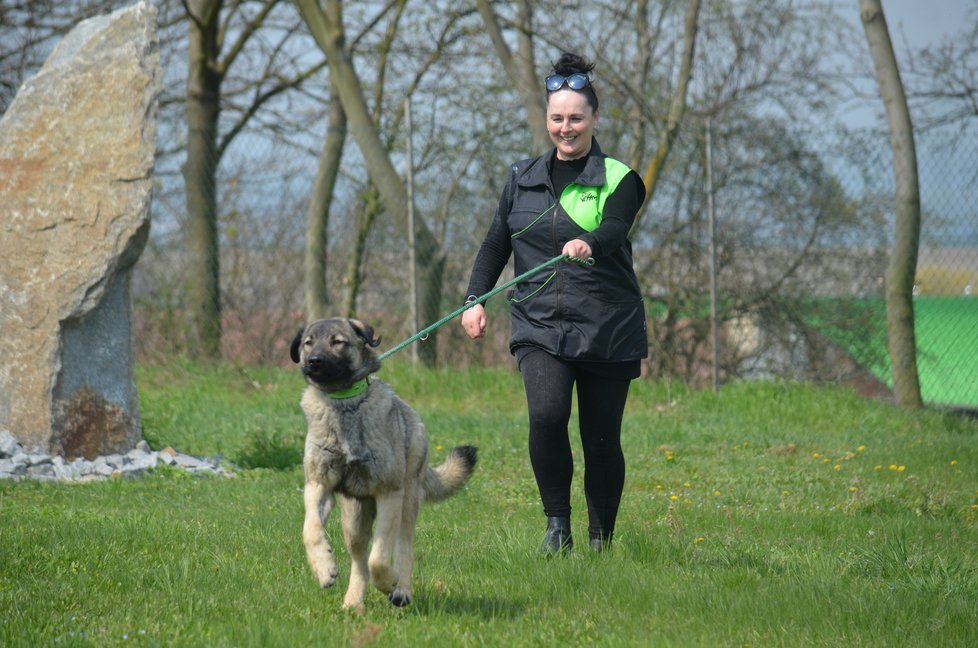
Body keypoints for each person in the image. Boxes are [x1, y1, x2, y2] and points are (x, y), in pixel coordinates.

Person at [461, 52, 647, 555]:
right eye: (557, 118)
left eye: (576, 118)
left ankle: (600, 541)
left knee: (601, 438)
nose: (566, 128)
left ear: (595, 119)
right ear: (547, 119)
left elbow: (615, 227)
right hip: (539, 323)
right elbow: (495, 244)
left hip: (607, 325)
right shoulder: (522, 177)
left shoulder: (618, 177)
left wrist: (593, 242)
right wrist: (474, 300)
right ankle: (557, 526)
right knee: (545, 415)